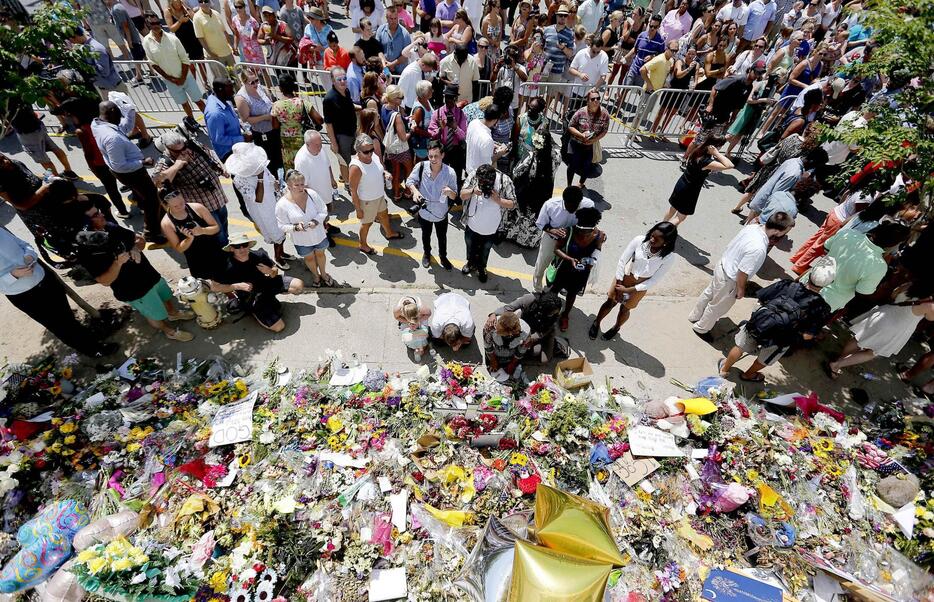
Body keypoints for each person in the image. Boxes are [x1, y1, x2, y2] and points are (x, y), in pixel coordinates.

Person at [77, 202, 195, 341]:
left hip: (150, 275)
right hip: (134, 291)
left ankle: (173, 313)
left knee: (165, 296)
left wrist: (134, 247)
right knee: (153, 314)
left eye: (99, 211)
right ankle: (168, 331)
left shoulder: (108, 227)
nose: (102, 214)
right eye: (96, 215)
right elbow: (105, 281)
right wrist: (118, 263)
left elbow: (140, 241)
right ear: (85, 224)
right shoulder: (86, 252)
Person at [0, 227, 119, 358]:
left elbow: (23, 244)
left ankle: (86, 338)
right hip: (24, 295)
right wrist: (13, 275)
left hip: (44, 279)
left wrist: (29, 256)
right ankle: (93, 350)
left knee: (66, 316)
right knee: (59, 326)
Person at [719, 261, 835, 382]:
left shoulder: (787, 285)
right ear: (827, 285)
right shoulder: (821, 307)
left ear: (810, 275)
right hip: (780, 340)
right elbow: (807, 336)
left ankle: (724, 369)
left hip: (759, 324)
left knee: (740, 346)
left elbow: (762, 297)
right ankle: (748, 375)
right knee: (764, 359)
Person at [689, 212, 795, 337]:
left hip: (722, 266)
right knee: (717, 307)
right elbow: (743, 272)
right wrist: (741, 290)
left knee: (709, 292)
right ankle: (701, 328)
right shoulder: (759, 248)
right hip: (730, 279)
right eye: (786, 231)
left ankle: (695, 315)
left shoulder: (752, 227)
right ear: (777, 232)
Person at [92, 101, 166, 245]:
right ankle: (151, 233)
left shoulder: (97, 124)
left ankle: (145, 207)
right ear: (113, 113)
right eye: (120, 113)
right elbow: (119, 165)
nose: (121, 117)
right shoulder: (112, 138)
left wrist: (130, 112)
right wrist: (142, 163)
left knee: (142, 195)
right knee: (152, 199)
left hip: (126, 171)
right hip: (132, 172)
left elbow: (123, 128)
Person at [590, 222, 678, 340]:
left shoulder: (669, 258)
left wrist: (628, 290)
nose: (652, 239)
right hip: (623, 278)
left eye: (656, 239)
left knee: (625, 309)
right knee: (610, 302)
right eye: (652, 235)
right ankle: (597, 322)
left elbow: (654, 280)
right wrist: (620, 286)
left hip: (640, 286)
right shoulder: (639, 240)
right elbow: (622, 261)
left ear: (666, 242)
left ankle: (616, 328)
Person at [828, 286, 934, 380]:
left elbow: (894, 293)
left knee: (858, 339)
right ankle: (836, 365)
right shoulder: (930, 305)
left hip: (883, 314)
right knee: (872, 352)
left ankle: (840, 359)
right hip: (895, 328)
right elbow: (930, 318)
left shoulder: (911, 284)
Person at [210, 233, 306, 333]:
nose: (242, 249)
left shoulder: (258, 255)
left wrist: (270, 271)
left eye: (245, 245)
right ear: (231, 249)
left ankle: (270, 300)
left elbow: (274, 270)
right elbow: (214, 287)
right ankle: (254, 310)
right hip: (251, 295)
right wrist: (237, 286)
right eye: (237, 246)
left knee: (298, 286)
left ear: (249, 246)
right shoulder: (225, 266)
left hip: (266, 283)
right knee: (279, 327)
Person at [805, 223, 909, 313]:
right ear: (894, 244)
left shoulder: (848, 233)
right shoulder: (879, 266)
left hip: (808, 283)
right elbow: (863, 292)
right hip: (826, 302)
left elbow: (826, 247)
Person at [153, 130, 231, 245]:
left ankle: (227, 244)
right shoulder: (165, 162)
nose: (183, 152)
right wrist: (177, 165)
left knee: (224, 225)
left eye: (184, 148)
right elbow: (159, 181)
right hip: (204, 208)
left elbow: (208, 154)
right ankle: (226, 253)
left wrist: (219, 168)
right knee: (217, 234)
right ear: (168, 149)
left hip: (218, 197)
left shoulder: (194, 146)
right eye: (178, 151)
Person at [224, 143, 294, 268]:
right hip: (262, 210)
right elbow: (258, 199)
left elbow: (271, 178)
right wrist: (260, 179)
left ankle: (282, 253)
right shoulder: (239, 180)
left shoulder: (259, 166)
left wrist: (275, 183)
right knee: (276, 233)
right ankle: (277, 257)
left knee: (282, 230)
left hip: (274, 202)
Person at [141, 11, 203, 130]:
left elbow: (184, 59)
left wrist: (182, 78)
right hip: (171, 81)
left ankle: (211, 121)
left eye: (158, 22)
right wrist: (171, 79)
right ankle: (193, 124)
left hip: (186, 77)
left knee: (199, 101)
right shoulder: (146, 42)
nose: (156, 25)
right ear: (147, 24)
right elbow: (153, 64)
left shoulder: (172, 38)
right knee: (185, 104)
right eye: (153, 23)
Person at [547, 206, 604, 332]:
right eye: (580, 230)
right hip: (564, 269)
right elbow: (556, 249)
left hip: (581, 272)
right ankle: (549, 311)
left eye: (587, 232)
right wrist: (570, 259)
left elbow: (597, 251)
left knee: (572, 294)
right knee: (554, 290)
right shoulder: (568, 232)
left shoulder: (599, 236)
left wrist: (591, 261)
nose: (583, 234)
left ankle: (565, 315)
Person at [789, 189, 872, 275]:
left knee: (816, 238)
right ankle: (799, 266)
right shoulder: (868, 198)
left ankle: (797, 258)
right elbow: (856, 215)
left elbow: (846, 192)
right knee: (819, 246)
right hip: (839, 220)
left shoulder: (864, 188)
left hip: (835, 213)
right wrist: (844, 225)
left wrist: (838, 207)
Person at [276, 170, 335, 286]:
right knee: (309, 259)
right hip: (301, 240)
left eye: (302, 184)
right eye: (296, 185)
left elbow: (323, 210)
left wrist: (315, 221)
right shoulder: (282, 205)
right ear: (288, 186)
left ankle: (323, 274)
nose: (300, 187)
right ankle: (315, 275)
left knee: (320, 254)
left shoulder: (312, 194)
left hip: (318, 235)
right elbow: (282, 225)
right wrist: (295, 227)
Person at [460, 163, 516, 283]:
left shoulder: (505, 181)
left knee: (485, 250)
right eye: (481, 182)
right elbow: (462, 195)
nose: (484, 186)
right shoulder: (474, 176)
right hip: (472, 225)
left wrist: (498, 199)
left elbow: (512, 204)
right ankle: (470, 264)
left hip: (491, 229)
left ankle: (481, 268)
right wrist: (473, 191)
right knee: (470, 247)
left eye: (487, 183)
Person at [732, 147, 828, 216]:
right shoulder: (794, 174)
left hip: (760, 198)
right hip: (763, 207)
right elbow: (776, 195)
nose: (814, 168)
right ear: (812, 161)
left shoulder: (793, 160)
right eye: (816, 165)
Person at [532, 186, 593, 292]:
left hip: (572, 242)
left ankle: (560, 286)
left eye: (575, 207)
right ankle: (537, 288)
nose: (572, 209)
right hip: (552, 239)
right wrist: (552, 230)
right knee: (542, 264)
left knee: (565, 266)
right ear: (563, 200)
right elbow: (540, 223)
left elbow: (590, 224)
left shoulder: (588, 205)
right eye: (569, 206)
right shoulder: (550, 205)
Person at [349, 134, 403, 255]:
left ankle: (389, 233)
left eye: (371, 150)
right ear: (358, 150)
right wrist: (358, 209)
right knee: (367, 224)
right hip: (367, 201)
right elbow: (353, 190)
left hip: (379, 195)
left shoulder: (373, 156)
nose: (369, 154)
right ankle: (362, 244)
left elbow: (379, 168)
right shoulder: (355, 167)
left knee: (384, 215)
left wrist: (385, 173)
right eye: (366, 152)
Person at [408, 141, 458, 269]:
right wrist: (415, 191)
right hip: (424, 212)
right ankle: (427, 253)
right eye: (430, 156)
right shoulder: (420, 167)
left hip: (441, 213)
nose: (433, 159)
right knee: (426, 235)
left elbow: (454, 196)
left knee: (442, 238)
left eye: (436, 156)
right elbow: (410, 181)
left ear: (443, 155)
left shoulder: (450, 172)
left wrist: (450, 192)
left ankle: (443, 257)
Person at [158, 188, 227, 280]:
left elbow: (216, 228)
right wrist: (189, 239)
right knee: (208, 287)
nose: (181, 207)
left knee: (227, 277)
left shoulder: (197, 208)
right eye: (176, 206)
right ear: (166, 205)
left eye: (182, 203)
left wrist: (202, 230)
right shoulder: (167, 223)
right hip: (197, 260)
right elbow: (179, 248)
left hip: (216, 250)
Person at [663, 137, 732, 226]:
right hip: (690, 190)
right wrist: (717, 153)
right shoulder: (706, 161)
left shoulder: (697, 150)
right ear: (714, 147)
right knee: (681, 216)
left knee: (672, 208)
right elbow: (729, 165)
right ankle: (663, 231)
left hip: (681, 183)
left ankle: (661, 225)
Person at [488, 291, 564, 363]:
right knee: (516, 346)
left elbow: (545, 330)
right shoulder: (530, 299)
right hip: (525, 322)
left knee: (542, 358)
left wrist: (531, 338)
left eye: (554, 313)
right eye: (550, 313)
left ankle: (555, 344)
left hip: (543, 331)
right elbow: (509, 307)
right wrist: (494, 314)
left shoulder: (555, 313)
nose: (552, 315)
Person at [8, 104, 79, 181]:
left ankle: (57, 179)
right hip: (38, 126)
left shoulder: (4, 102)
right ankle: (68, 171)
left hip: (27, 134)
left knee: (43, 160)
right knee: (55, 148)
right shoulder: (20, 95)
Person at [294, 130, 340, 245]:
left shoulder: (319, 149)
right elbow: (302, 185)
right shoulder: (301, 160)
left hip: (325, 192)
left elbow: (328, 164)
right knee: (319, 218)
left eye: (320, 144)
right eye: (317, 145)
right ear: (307, 144)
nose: (320, 147)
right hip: (314, 198)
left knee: (326, 213)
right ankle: (325, 235)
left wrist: (332, 179)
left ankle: (327, 226)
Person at [235, 68, 284, 177]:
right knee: (270, 162)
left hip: (274, 128)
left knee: (279, 157)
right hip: (262, 134)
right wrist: (265, 117)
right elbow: (245, 119)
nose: (256, 84)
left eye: (257, 80)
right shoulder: (241, 98)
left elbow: (270, 102)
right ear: (244, 82)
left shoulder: (260, 88)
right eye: (252, 82)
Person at [271, 75, 323, 170]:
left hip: (287, 144)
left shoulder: (277, 106)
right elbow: (319, 119)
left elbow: (275, 126)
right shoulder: (302, 102)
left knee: (291, 169)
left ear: (280, 88)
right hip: (302, 140)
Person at [565, 89, 609, 188]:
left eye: (598, 98)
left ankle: (581, 183)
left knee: (586, 166)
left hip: (590, 145)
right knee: (572, 166)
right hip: (576, 143)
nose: (596, 101)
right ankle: (569, 186)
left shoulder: (605, 114)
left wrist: (595, 139)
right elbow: (570, 126)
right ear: (588, 101)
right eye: (593, 99)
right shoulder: (580, 112)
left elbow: (605, 130)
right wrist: (581, 135)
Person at [323, 67, 359, 184]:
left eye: (344, 78)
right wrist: (334, 143)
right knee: (344, 161)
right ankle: (348, 183)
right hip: (341, 136)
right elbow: (328, 124)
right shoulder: (329, 99)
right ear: (333, 81)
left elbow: (349, 107)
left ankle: (347, 177)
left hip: (352, 131)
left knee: (353, 158)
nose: (343, 81)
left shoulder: (346, 91)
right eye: (339, 79)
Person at [381, 85, 414, 201]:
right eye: (401, 97)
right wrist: (412, 130)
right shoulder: (397, 116)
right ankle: (408, 191)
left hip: (390, 147)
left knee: (395, 170)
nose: (402, 99)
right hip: (400, 148)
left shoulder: (384, 107)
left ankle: (396, 194)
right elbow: (404, 138)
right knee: (410, 169)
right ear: (395, 99)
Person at [541, 4, 576, 113]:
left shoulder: (570, 34)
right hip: (543, 68)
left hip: (557, 70)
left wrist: (563, 48)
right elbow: (541, 47)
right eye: (560, 15)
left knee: (551, 94)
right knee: (539, 93)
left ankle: (545, 113)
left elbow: (570, 54)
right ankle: (537, 112)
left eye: (565, 16)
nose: (562, 17)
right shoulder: (547, 30)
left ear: (567, 17)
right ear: (556, 16)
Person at [166, 0, 209, 83]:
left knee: (201, 63)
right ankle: (194, 85)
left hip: (194, 38)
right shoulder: (168, 11)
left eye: (179, 1)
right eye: (176, 2)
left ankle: (206, 83)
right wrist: (180, 21)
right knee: (191, 67)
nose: (179, 3)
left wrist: (187, 8)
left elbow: (194, 18)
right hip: (183, 42)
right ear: (171, 2)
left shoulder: (184, 6)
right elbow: (171, 28)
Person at [204, 78, 245, 162]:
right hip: (229, 153)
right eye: (230, 89)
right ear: (220, 90)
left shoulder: (225, 100)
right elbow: (219, 139)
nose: (233, 92)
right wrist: (242, 139)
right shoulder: (214, 113)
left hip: (238, 146)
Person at [568, 34, 610, 110]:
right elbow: (571, 69)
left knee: (588, 118)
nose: (596, 54)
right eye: (594, 51)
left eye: (598, 52)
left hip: (592, 94)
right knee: (573, 114)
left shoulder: (604, 56)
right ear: (590, 45)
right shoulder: (581, 53)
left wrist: (595, 88)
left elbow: (603, 76)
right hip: (577, 91)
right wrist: (580, 74)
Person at [621, 13, 663, 88]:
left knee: (641, 92)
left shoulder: (660, 41)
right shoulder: (641, 35)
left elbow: (661, 56)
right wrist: (625, 58)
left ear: (659, 27)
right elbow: (635, 49)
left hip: (645, 72)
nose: (652, 28)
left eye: (655, 27)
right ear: (649, 24)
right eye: (651, 26)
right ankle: (620, 99)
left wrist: (652, 56)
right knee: (625, 88)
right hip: (634, 67)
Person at [483, 311, 530, 378]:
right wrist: (492, 360)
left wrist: (513, 363)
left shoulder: (526, 332)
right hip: (496, 350)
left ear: (510, 333)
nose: (496, 330)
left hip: (512, 351)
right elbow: (488, 345)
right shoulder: (491, 326)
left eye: (500, 332)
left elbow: (522, 350)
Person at [193, 0, 236, 71]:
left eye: (206, 1)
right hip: (215, 57)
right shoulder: (197, 18)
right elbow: (201, 38)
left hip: (227, 52)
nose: (203, 3)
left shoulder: (216, 13)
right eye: (200, 1)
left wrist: (231, 46)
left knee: (234, 76)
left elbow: (224, 32)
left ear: (209, 2)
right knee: (222, 81)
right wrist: (211, 54)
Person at [465, 104, 508, 176]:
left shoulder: (473, 123)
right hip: (478, 176)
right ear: (495, 120)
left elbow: (473, 141)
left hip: (469, 169)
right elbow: (487, 165)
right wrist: (500, 153)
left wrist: (492, 145)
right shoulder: (487, 140)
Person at [393, 295, 433, 360]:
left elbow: (428, 314)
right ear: (403, 313)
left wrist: (418, 320)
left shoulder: (421, 308)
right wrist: (407, 321)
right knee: (408, 336)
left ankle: (421, 347)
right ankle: (415, 345)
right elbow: (397, 317)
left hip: (420, 318)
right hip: (405, 321)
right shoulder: (398, 309)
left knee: (423, 334)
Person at [377, 4, 413, 75]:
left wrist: (392, 64)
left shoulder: (405, 34)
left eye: (395, 18)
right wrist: (384, 62)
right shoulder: (380, 30)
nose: (393, 21)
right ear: (386, 18)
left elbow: (406, 55)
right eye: (391, 18)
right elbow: (378, 50)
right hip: (385, 70)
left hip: (400, 72)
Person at [230, 0, 265, 65]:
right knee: (253, 71)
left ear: (244, 7)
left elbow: (259, 34)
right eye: (236, 7)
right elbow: (236, 34)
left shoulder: (252, 21)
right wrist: (235, 47)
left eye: (240, 7)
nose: (238, 9)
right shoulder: (234, 20)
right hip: (246, 50)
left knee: (263, 70)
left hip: (256, 49)